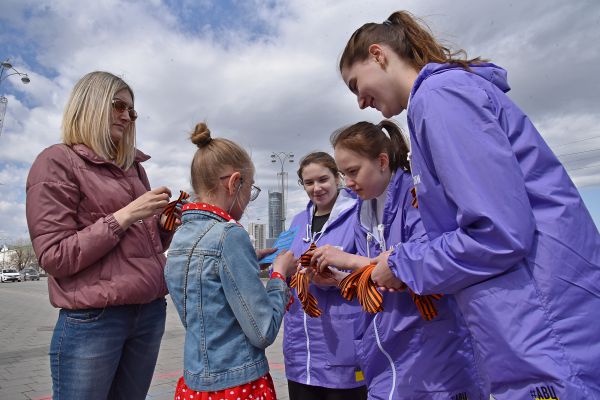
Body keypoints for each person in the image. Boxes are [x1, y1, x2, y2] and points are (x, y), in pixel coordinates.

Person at [338, 10, 600, 398]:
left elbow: (498, 233)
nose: (360, 102)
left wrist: (401, 264)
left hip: (541, 326)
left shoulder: (439, 98)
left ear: (379, 55)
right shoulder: (444, 98)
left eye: (355, 84)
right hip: (530, 323)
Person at [26, 71, 176, 400]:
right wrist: (124, 215)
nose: (127, 116)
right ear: (90, 104)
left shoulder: (135, 168)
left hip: (149, 312)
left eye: (132, 111)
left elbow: (142, 246)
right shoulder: (55, 161)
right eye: (118, 105)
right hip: (95, 319)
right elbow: (54, 256)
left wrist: (164, 227)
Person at [311, 121, 486, 399]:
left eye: (353, 171)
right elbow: (376, 277)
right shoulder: (362, 211)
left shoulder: (418, 197)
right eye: (344, 174)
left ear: (382, 161)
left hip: (434, 354)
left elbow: (422, 265)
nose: (349, 183)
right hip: (385, 353)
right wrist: (338, 278)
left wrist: (349, 260)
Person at [164, 122, 297, 400]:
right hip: (237, 383)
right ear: (234, 182)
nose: (249, 200)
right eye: (250, 189)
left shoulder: (180, 236)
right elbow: (262, 330)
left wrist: (248, 260)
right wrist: (279, 277)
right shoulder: (230, 236)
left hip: (195, 383)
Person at [284, 151, 367, 400]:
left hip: (341, 342)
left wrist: (335, 277)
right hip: (300, 347)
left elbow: (371, 268)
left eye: (323, 179)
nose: (316, 188)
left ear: (338, 178)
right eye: (309, 183)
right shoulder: (297, 221)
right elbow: (281, 260)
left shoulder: (359, 215)